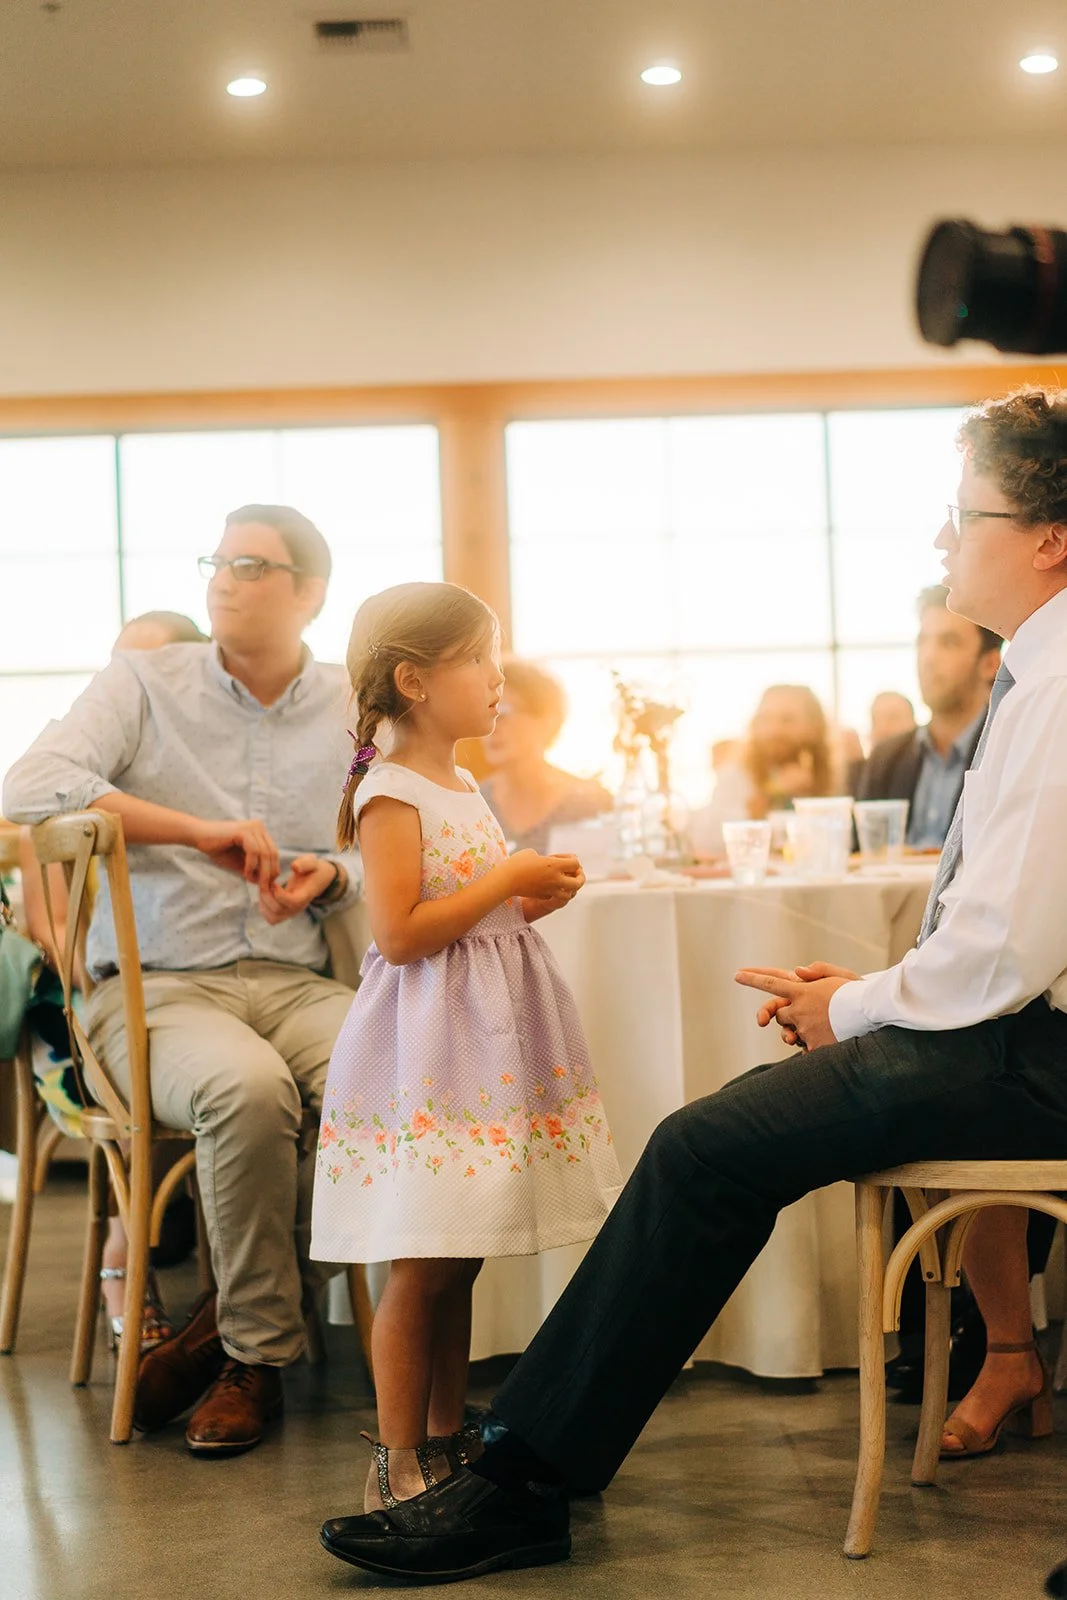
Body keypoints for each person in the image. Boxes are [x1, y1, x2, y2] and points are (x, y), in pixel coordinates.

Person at [317, 384, 1067, 1580]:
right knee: (705, 1143)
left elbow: (1008, 949)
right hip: (1005, 1027)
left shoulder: (1059, 681)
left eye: (960, 513)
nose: (938, 538)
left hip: (1031, 1055)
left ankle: (519, 1481)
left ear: (1046, 539)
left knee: (701, 1149)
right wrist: (878, 986)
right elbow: (1006, 929)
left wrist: (854, 1004)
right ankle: (517, 1467)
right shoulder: (1037, 666)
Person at [3, 505, 361, 1457]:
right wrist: (194, 830)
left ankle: (217, 1328)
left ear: (311, 593)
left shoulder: (353, 704)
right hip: (157, 988)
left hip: (297, 979)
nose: (223, 579)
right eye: (218, 560)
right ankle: (255, 1357)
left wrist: (333, 875)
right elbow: (26, 786)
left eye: (252, 565)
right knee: (246, 1090)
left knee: (396, 1075)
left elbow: (399, 832)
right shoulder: (143, 682)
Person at [310, 582, 621, 1514]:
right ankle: (394, 1458)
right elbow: (401, 933)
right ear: (414, 680)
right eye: (480, 660)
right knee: (422, 1260)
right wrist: (503, 881)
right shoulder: (390, 791)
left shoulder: (458, 782)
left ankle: (447, 1436)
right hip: (430, 1055)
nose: (497, 680)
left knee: (461, 1251)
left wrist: (524, 899)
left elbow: (467, 910)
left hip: (476, 1045)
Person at [18, 610, 209, 1351]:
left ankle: (246, 1289)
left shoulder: (211, 779)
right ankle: (124, 1258)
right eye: (115, 667)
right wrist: (117, 990)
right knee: (152, 1051)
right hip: (86, 1002)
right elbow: (53, 935)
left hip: (196, 990)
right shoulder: (66, 784)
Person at [856, 584, 1003, 848]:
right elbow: (861, 854)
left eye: (949, 643)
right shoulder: (886, 759)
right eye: (922, 641)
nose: (928, 657)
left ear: (990, 664)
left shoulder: (1006, 750)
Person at [479, 657, 611, 853]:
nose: (492, 727)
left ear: (547, 721)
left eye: (503, 713)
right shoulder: (474, 803)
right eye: (487, 713)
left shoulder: (591, 802)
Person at [689, 684, 838, 855]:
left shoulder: (829, 775)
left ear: (813, 726)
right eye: (766, 719)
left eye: (787, 720)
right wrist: (772, 791)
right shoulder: (737, 773)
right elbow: (708, 840)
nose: (774, 729)